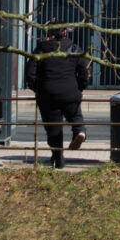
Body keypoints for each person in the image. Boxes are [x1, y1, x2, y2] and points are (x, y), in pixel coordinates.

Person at [24, 31, 91, 166]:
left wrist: (39, 88)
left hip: (48, 95)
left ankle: (58, 159)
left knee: (53, 128)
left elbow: (29, 73)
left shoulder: (40, 50)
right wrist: (79, 87)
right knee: (75, 115)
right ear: (65, 32)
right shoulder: (74, 49)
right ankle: (80, 131)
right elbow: (85, 70)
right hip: (70, 92)